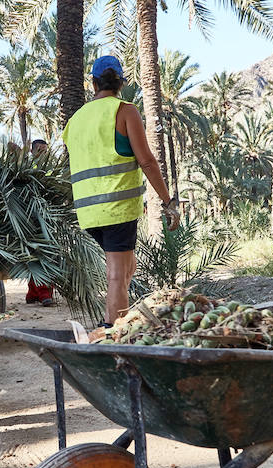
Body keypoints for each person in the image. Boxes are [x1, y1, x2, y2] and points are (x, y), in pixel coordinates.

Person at [62, 55, 179, 327]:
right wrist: (167, 201)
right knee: (117, 275)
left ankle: (113, 317)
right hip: (116, 207)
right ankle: (111, 332)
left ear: (93, 84)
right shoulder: (125, 111)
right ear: (121, 84)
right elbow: (147, 161)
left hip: (88, 212)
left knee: (128, 267)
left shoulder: (75, 121)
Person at [25, 138, 55, 307]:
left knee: (44, 254)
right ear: (32, 152)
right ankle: (40, 292)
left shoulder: (50, 170)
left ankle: (35, 292)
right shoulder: (28, 169)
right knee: (35, 255)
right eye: (40, 151)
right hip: (31, 218)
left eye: (45, 151)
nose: (43, 154)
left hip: (47, 218)